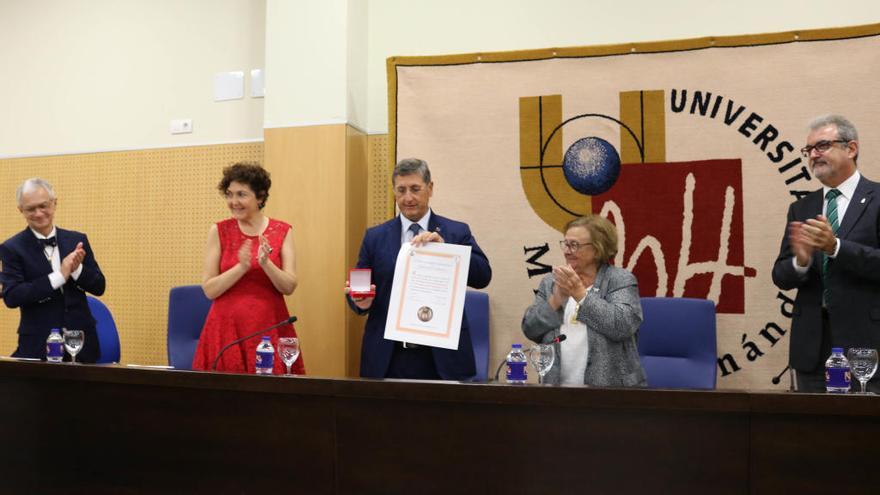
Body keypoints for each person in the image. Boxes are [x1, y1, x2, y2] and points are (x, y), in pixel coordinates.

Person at [346, 158, 492, 380]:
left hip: (442, 357)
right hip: (388, 356)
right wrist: (359, 301)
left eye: (415, 189)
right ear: (394, 192)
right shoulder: (375, 237)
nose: (408, 198)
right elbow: (360, 287)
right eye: (401, 190)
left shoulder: (455, 232)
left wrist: (446, 250)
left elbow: (483, 276)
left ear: (430, 188)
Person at [772, 115, 880, 393]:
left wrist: (836, 248)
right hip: (812, 349)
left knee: (862, 435)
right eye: (809, 150)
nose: (813, 155)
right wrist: (801, 262)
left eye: (822, 146)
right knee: (812, 433)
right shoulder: (802, 208)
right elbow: (781, 276)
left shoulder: (877, 199)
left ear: (851, 149)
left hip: (865, 349)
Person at [192, 162, 305, 374]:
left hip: (268, 326)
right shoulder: (219, 230)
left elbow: (289, 286)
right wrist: (241, 267)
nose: (233, 202)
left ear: (260, 197)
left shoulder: (282, 230)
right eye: (229, 194)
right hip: (225, 329)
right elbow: (209, 289)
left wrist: (265, 264)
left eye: (241, 194)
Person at [522, 215, 646, 387]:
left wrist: (580, 294)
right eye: (565, 244)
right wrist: (556, 299)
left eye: (574, 245)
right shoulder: (551, 282)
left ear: (597, 248)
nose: (566, 251)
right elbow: (531, 329)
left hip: (612, 394)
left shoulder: (620, 280)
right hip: (556, 392)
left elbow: (622, 326)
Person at [0, 178, 106, 362]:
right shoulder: (12, 248)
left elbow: (99, 286)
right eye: (31, 209)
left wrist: (76, 270)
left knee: (84, 391)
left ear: (54, 203)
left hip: (81, 342)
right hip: (37, 343)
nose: (39, 213)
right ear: (21, 210)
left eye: (44, 206)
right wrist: (59, 276)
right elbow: (12, 296)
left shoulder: (77, 240)